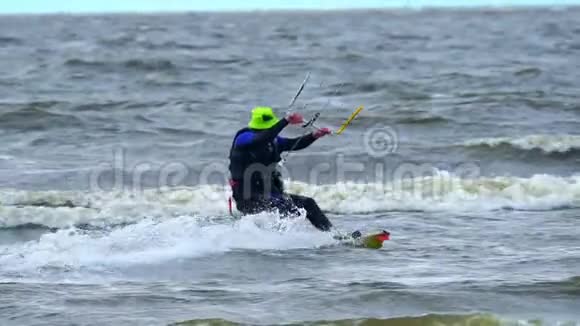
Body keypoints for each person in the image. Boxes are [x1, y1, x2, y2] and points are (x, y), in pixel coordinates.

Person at [228, 106, 333, 231]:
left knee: (307, 203)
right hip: (248, 197)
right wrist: (285, 121)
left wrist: (314, 136)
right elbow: (260, 139)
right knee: (283, 206)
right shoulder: (244, 137)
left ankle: (331, 234)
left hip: (270, 193)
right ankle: (280, 241)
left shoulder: (274, 141)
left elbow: (293, 144)